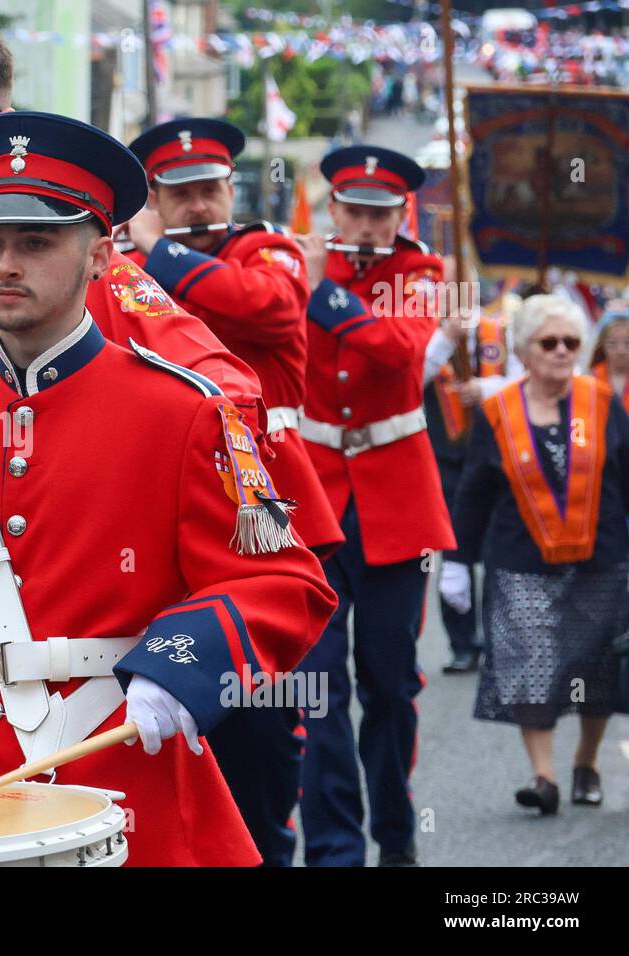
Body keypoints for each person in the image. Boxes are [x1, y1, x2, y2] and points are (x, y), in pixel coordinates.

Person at [0, 110, 337, 866]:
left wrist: (181, 663)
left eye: (37, 241)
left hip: (121, 791)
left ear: (102, 253)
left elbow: (281, 578)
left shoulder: (181, 413)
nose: (7, 263)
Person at [122, 116, 345, 865]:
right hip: (167, 517)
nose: (197, 203)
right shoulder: (123, 267)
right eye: (177, 194)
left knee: (286, 718)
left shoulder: (266, 249)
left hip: (273, 516)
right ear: (154, 195)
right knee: (174, 717)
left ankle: (319, 853)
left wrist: (158, 249)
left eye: (209, 188)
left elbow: (266, 306)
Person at [293, 145, 456, 866]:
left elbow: (397, 349)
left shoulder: (419, 273)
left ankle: (395, 833)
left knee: (389, 684)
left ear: (402, 217)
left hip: (398, 501)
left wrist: (318, 292)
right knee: (316, 688)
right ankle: (334, 848)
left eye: (378, 213)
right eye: (352, 210)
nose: (362, 225)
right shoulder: (298, 263)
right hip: (313, 500)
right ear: (333, 209)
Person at [450, 295, 628, 813]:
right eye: (548, 342)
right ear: (524, 351)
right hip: (520, 561)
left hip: (601, 559)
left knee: (596, 671)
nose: (560, 351)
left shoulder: (601, 402)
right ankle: (544, 776)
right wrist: (457, 562)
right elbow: (474, 492)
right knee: (529, 665)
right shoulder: (498, 410)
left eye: (570, 342)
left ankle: (587, 764)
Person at [428, 278, 525, 674]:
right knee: (453, 552)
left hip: (492, 458)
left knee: (495, 550)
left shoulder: (499, 330)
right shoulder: (429, 336)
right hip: (443, 459)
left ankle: (498, 641)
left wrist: (484, 388)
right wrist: (444, 340)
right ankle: (462, 644)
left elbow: (522, 380)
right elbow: (410, 379)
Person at [588, 306, 629, 410]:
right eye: (612, 343)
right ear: (602, 346)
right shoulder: (590, 378)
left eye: (627, 343)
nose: (621, 351)